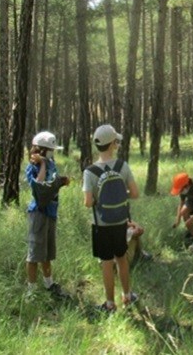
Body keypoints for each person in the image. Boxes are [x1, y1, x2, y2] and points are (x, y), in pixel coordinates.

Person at [83, 124, 140, 313]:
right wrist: (119, 195)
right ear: (112, 145)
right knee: (121, 258)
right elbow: (135, 193)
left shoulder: (90, 172)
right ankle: (127, 295)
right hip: (120, 222)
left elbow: (88, 202)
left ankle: (109, 303)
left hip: (101, 224)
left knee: (106, 262)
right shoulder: (122, 166)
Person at [25, 131, 71, 298]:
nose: (53, 153)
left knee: (47, 252)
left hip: (51, 213)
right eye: (50, 150)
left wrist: (61, 182)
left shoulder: (51, 163)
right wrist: (42, 164)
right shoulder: (33, 167)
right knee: (34, 253)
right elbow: (39, 185)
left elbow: (52, 184)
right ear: (41, 150)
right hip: (38, 213)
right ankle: (31, 291)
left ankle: (49, 284)